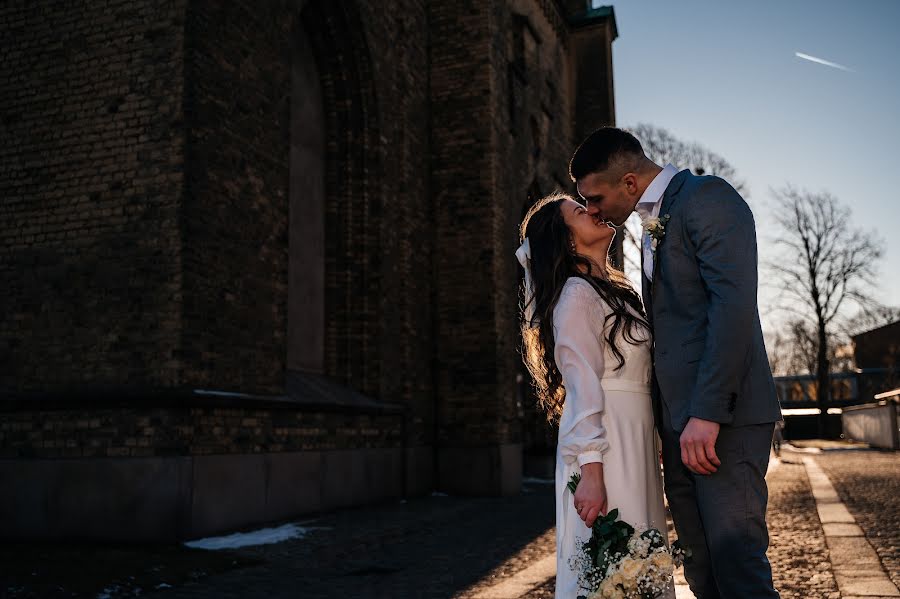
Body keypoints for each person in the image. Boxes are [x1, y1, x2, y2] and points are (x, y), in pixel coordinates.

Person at [569, 126, 783, 598]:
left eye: (596, 198)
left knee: (737, 562)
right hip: (680, 428)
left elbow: (733, 309)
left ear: (628, 182)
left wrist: (706, 413)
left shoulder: (708, 198)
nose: (593, 211)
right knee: (700, 564)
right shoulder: (649, 225)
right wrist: (667, 424)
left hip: (721, 420)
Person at [517, 192, 673, 599]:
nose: (593, 210)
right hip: (603, 448)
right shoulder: (575, 295)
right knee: (611, 571)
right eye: (578, 211)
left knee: (641, 567)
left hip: (634, 441)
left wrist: (654, 438)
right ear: (567, 240)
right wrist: (591, 473)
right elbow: (582, 386)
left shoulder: (620, 294)